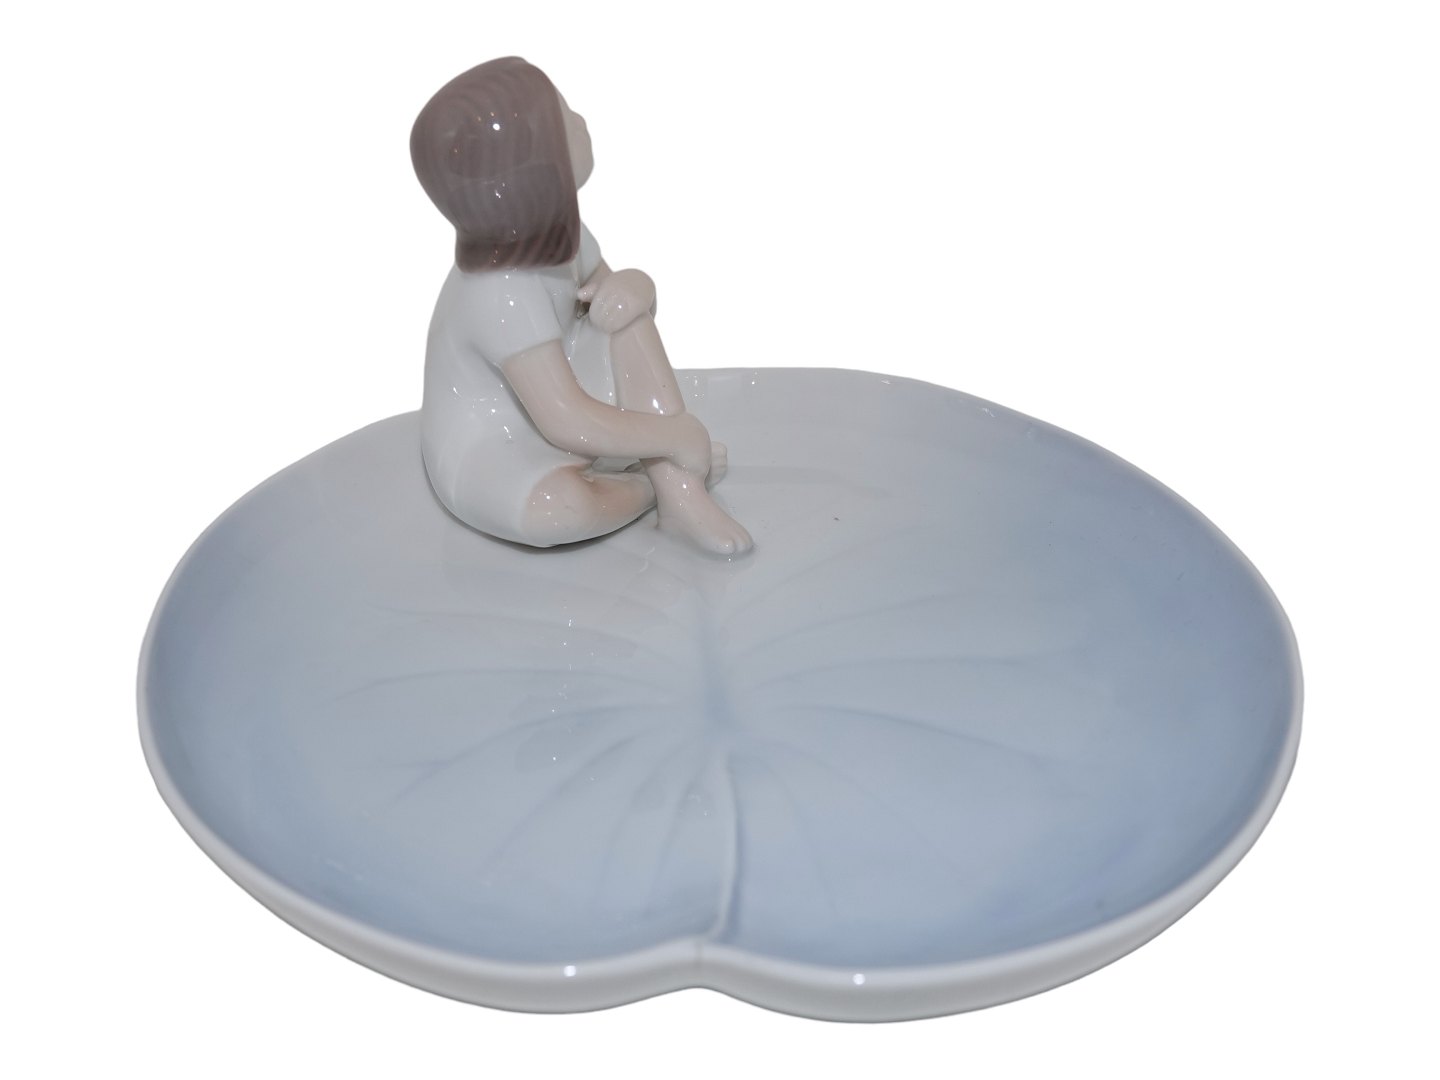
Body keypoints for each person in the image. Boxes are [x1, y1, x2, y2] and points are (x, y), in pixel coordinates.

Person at [411, 58, 753, 556]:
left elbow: (605, 290)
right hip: (495, 449)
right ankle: (649, 486)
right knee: (560, 509)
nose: (581, 121)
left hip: (561, 402)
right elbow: (566, 419)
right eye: (564, 120)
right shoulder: (500, 293)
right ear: (534, 174)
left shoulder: (555, 238)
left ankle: (680, 494)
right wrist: (676, 436)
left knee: (622, 316)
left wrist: (637, 287)